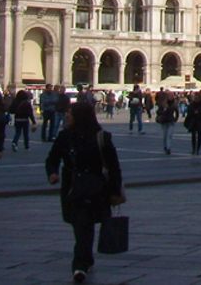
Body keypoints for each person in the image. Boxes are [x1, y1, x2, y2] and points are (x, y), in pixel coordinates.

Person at [46, 100, 125, 283]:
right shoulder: (65, 137)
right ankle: (84, 260)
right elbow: (52, 159)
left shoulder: (102, 137)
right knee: (82, 227)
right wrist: (52, 173)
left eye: (70, 113)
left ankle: (80, 265)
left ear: (80, 117)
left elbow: (114, 167)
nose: (67, 115)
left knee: (84, 226)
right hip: (74, 189)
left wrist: (115, 191)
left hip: (96, 189)